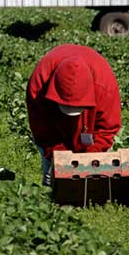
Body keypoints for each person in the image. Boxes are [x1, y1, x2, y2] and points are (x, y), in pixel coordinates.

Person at [26, 44, 121, 186]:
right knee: (52, 179)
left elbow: (107, 129)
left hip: (90, 133)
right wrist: (59, 158)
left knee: (96, 181)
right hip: (54, 131)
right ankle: (51, 198)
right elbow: (42, 131)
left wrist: (90, 159)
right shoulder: (39, 83)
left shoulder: (104, 86)